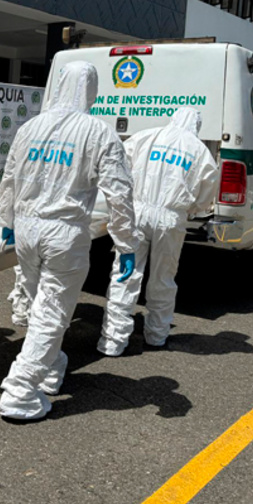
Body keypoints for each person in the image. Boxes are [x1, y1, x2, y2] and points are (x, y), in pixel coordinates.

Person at [0, 61, 140, 421]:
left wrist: (7, 222)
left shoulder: (31, 127)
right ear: (92, 90)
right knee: (52, 311)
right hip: (65, 232)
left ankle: (49, 369)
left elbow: (9, 178)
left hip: (27, 231)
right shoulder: (98, 133)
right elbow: (119, 194)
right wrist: (126, 244)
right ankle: (19, 389)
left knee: (39, 304)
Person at [99, 107, 220, 357]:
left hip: (137, 209)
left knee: (126, 271)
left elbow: (120, 163)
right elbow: (207, 192)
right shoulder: (199, 151)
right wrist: (191, 210)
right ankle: (156, 335)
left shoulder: (146, 136)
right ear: (195, 126)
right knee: (163, 278)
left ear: (173, 118)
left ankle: (112, 341)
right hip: (171, 217)